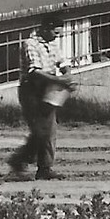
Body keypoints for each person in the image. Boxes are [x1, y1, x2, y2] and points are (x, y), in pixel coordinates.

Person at [8, 15, 72, 179]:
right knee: (40, 130)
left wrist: (67, 76)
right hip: (32, 89)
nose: (56, 36)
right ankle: (20, 160)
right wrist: (59, 79)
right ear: (45, 28)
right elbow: (34, 71)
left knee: (50, 129)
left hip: (49, 88)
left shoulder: (52, 43)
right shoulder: (30, 44)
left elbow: (63, 63)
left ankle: (45, 168)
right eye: (54, 33)